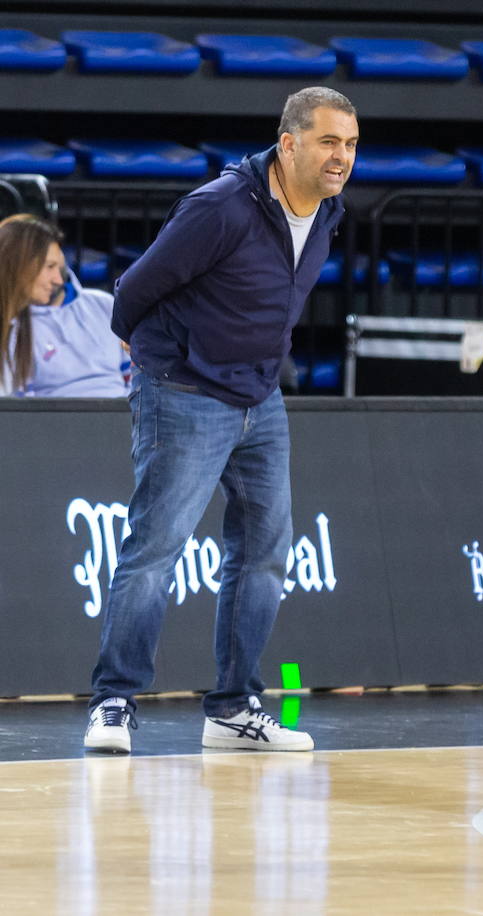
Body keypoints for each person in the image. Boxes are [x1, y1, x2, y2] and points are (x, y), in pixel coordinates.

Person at [83, 86, 359, 754]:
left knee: (264, 552)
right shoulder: (221, 207)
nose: (341, 157)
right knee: (155, 550)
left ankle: (233, 708)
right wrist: (160, 369)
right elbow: (134, 294)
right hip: (183, 391)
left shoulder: (326, 213)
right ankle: (113, 702)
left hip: (260, 400)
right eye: (328, 141)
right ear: (288, 142)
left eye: (350, 144)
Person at [0, 215, 128, 398]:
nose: (58, 280)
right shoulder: (12, 330)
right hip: (50, 424)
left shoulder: (104, 304)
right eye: (50, 267)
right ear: (17, 266)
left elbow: (135, 379)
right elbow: (13, 413)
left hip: (121, 421)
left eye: (59, 268)